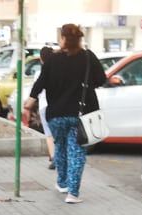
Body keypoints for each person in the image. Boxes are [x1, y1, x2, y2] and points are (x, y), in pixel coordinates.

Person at [24, 24, 106, 204]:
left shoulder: (53, 60)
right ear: (79, 39)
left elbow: (40, 82)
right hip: (80, 114)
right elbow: (101, 80)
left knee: (60, 147)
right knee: (76, 151)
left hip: (56, 114)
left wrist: (30, 101)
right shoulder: (87, 57)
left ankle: (61, 183)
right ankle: (73, 193)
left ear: (62, 39)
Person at [37, 46, 55, 169]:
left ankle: (53, 157)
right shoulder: (58, 70)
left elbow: (37, 90)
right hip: (56, 105)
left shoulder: (40, 73)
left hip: (44, 105)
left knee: (49, 134)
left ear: (41, 59)